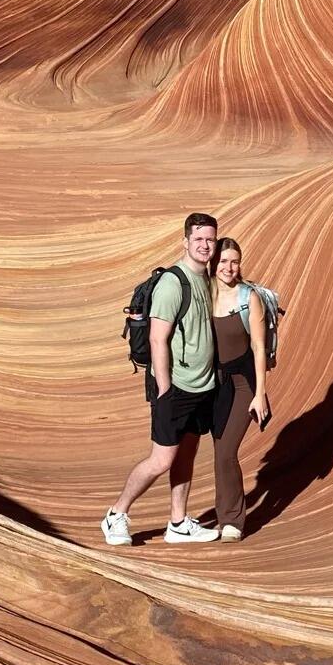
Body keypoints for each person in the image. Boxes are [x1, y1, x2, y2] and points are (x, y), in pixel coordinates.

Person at [101, 212, 222, 545]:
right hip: (175, 386)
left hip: (202, 385)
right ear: (185, 242)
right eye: (198, 239)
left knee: (186, 454)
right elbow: (157, 338)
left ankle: (178, 522)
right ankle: (116, 515)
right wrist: (165, 388)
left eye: (210, 239)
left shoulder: (205, 279)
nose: (205, 245)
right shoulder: (174, 282)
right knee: (162, 458)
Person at [207, 237, 271, 539]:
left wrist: (260, 394)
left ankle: (233, 520)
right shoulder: (204, 294)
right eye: (223, 261)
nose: (229, 268)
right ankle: (224, 516)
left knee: (226, 451)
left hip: (244, 384)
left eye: (234, 261)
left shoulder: (249, 298)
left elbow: (259, 347)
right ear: (213, 263)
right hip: (215, 385)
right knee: (220, 450)